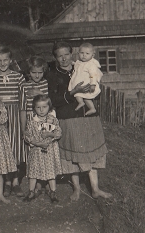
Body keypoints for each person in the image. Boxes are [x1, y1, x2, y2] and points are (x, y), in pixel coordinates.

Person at [46, 41, 112, 201]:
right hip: (68, 117)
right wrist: (72, 93)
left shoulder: (81, 66)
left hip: (88, 117)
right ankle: (76, 189)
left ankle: (95, 189)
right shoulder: (52, 75)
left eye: (66, 54)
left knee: (92, 152)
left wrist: (93, 89)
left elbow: (96, 86)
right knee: (72, 155)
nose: (64, 59)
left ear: (72, 54)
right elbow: (53, 99)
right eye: (59, 56)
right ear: (55, 58)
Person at [0, 46, 26, 197]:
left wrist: (23, 123)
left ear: (11, 60)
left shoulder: (18, 77)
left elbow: (23, 101)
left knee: (15, 148)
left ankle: (15, 181)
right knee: (3, 148)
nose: (2, 63)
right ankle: (6, 182)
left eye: (5, 60)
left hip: (14, 115)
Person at [20, 56, 52, 196]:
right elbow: (22, 108)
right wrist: (23, 128)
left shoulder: (46, 84)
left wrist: (41, 93)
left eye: (40, 72)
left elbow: (51, 102)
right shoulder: (24, 86)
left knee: (45, 149)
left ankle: (44, 181)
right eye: (34, 72)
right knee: (33, 153)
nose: (37, 75)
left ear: (44, 71)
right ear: (29, 72)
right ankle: (36, 182)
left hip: (45, 120)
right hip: (30, 119)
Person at [23, 94, 62, 203]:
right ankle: (31, 191)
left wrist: (50, 134)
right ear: (34, 108)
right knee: (34, 171)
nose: (41, 110)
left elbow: (58, 133)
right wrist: (37, 143)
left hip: (50, 151)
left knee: (50, 171)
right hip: (37, 151)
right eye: (38, 107)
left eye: (44, 107)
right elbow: (27, 136)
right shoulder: (32, 122)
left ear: (49, 107)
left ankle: (53, 192)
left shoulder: (53, 120)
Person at [68, 43, 103, 115]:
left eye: (87, 53)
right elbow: (77, 65)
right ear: (78, 53)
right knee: (77, 94)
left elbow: (93, 75)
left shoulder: (91, 64)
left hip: (87, 84)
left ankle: (92, 108)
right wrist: (73, 63)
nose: (84, 55)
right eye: (82, 53)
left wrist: (93, 84)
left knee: (87, 97)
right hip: (79, 84)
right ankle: (81, 103)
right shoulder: (79, 62)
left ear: (92, 55)